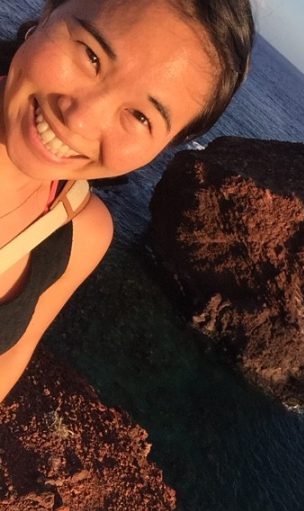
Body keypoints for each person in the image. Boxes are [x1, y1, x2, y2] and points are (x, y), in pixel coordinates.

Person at [0, 0, 255, 400]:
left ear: (166, 146)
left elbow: (8, 359)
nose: (80, 118)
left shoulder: (78, 235)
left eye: (140, 117)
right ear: (50, 10)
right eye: (91, 55)